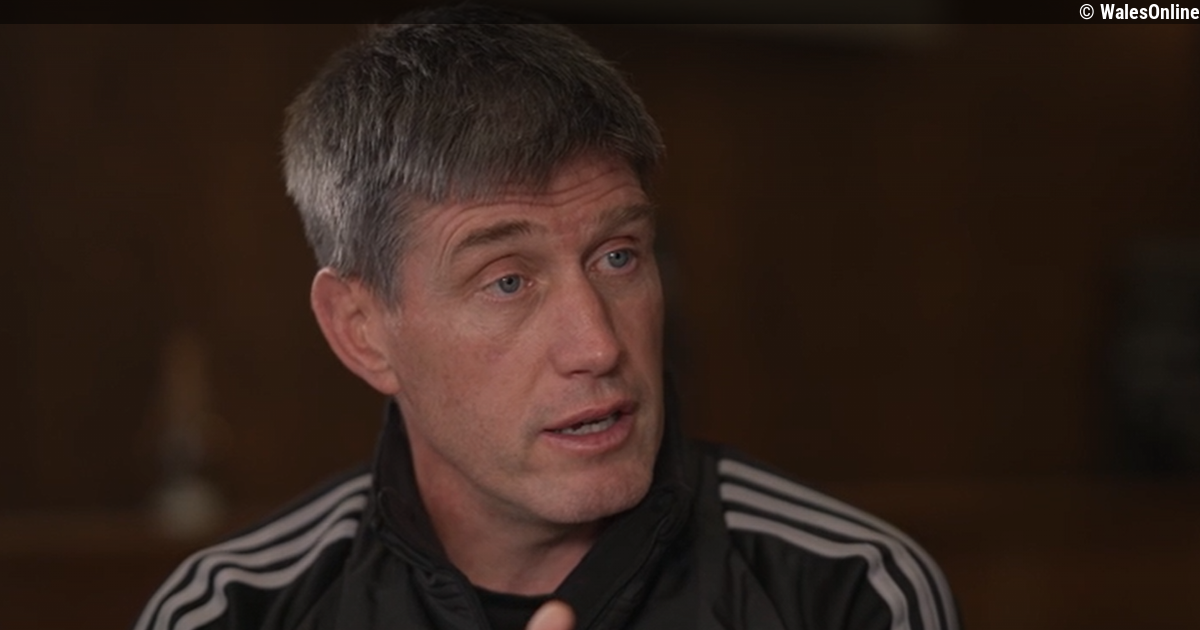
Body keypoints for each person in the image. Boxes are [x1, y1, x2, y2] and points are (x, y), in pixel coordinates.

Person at [132, 8, 960, 630]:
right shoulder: (229, 613)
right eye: (507, 281)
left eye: (618, 257)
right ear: (360, 328)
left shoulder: (851, 592)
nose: (598, 346)